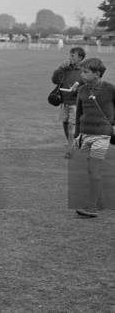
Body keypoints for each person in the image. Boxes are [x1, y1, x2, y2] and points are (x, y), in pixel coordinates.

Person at [73, 57, 115, 218]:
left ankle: (91, 207)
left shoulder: (110, 89)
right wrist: (76, 136)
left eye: (85, 72)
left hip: (101, 136)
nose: (82, 74)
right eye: (81, 71)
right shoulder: (82, 90)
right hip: (85, 135)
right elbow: (78, 114)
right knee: (90, 169)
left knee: (94, 169)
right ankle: (100, 200)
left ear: (97, 74)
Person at [52, 47, 85, 158]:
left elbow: (88, 85)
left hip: (76, 103)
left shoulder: (84, 70)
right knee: (65, 125)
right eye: (70, 55)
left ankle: (70, 150)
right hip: (64, 101)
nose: (70, 58)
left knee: (72, 127)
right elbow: (55, 80)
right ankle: (73, 144)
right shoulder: (65, 69)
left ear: (80, 58)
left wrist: (78, 87)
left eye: (73, 56)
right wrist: (60, 68)